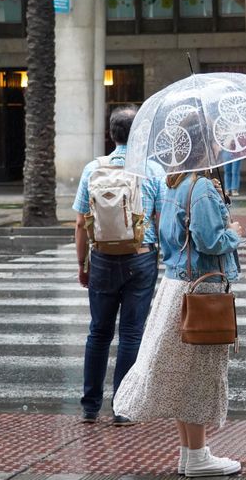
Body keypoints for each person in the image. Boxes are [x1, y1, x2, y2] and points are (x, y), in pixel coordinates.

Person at [113, 133, 245, 476]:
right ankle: (198, 456)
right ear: (204, 149)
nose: (220, 148)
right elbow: (210, 240)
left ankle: (191, 452)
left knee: (183, 375)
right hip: (200, 290)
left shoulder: (175, 183)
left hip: (177, 286)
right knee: (199, 375)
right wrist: (235, 231)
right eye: (215, 143)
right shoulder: (200, 187)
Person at [73, 106, 163, 426]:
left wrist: (83, 263)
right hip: (141, 256)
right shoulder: (152, 170)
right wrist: (162, 254)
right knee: (131, 333)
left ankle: (89, 406)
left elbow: (82, 222)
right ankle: (122, 407)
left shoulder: (92, 169)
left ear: (112, 134)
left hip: (102, 258)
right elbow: (161, 219)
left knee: (98, 332)